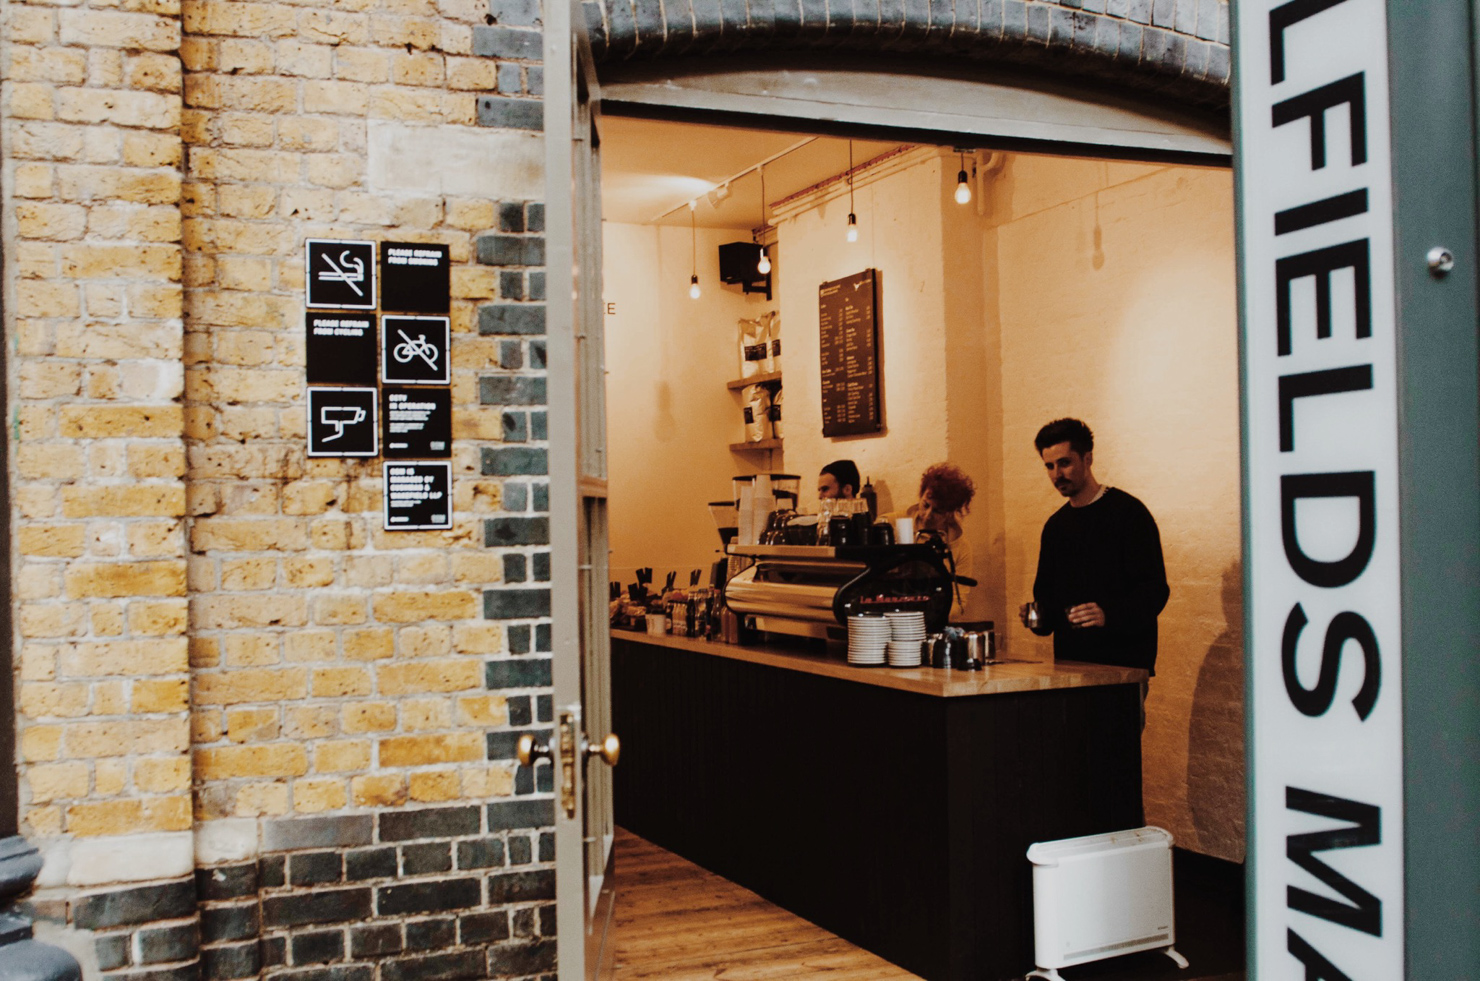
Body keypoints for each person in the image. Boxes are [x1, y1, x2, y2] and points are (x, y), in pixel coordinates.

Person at [1022, 418, 1169, 678]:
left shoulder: (1128, 513)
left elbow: (1154, 590)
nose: (1057, 474)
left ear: (1087, 459)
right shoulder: (1055, 527)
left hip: (1123, 666)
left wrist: (1108, 614)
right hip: (1070, 665)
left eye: (1065, 463)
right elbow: (1048, 601)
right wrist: (1037, 617)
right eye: (1049, 466)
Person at [887, 463, 976, 619]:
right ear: (921, 496)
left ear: (951, 512)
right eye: (925, 505)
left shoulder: (960, 547)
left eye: (937, 511)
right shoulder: (891, 523)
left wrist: (931, 614)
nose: (927, 515)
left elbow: (958, 601)